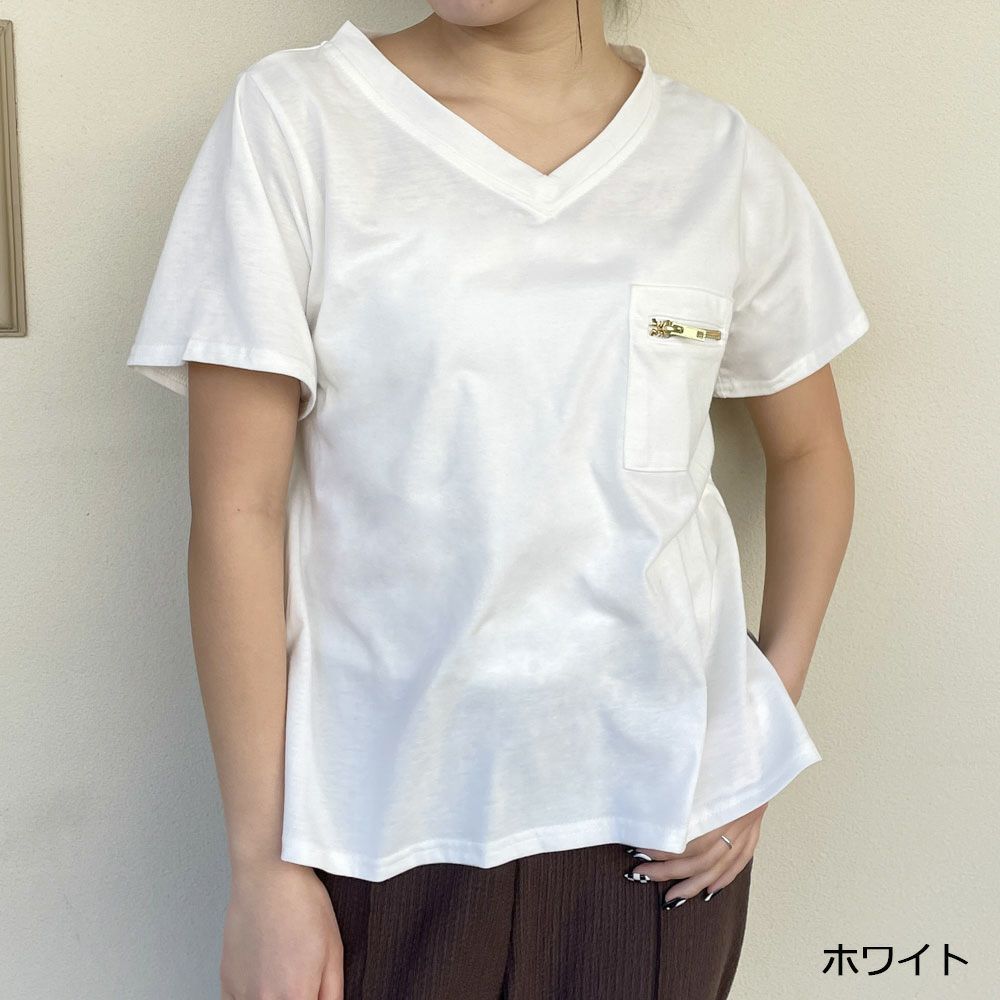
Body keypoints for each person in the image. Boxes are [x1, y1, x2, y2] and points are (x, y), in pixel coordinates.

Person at [126, 2, 870, 998]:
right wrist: (263, 867)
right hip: (378, 821)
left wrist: (758, 728)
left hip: (656, 824)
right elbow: (236, 511)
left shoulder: (717, 162)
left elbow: (813, 451)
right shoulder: (298, 119)